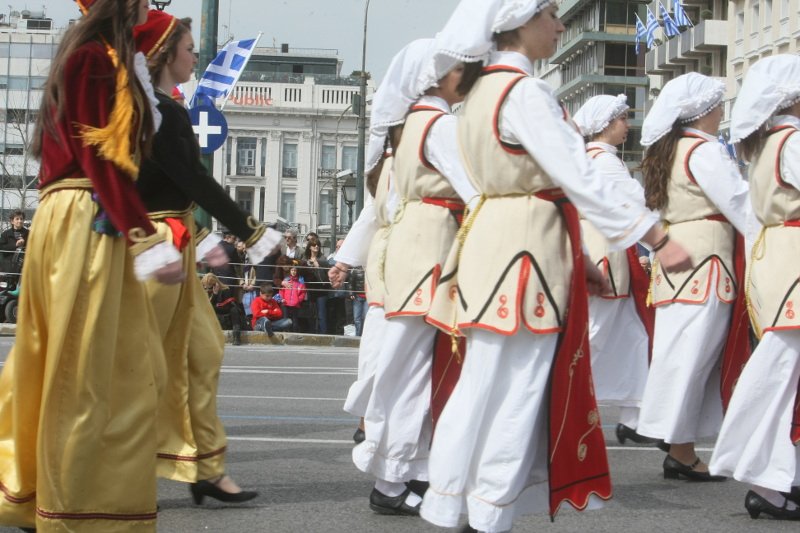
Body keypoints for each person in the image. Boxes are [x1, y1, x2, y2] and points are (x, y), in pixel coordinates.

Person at [417, 2, 691, 531]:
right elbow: (578, 175)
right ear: (520, 23)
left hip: (495, 243)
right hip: (527, 250)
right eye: (550, 15)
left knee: (483, 382)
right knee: (518, 387)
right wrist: (654, 235)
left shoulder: (478, 93)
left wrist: (582, 257)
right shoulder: (523, 92)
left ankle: (454, 501)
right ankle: (488, 510)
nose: (560, 25)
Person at [0, 1, 185, 530]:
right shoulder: (94, 59)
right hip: (87, 217)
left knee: (69, 362)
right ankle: (72, 505)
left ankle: (39, 493)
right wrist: (145, 237)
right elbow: (98, 157)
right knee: (86, 369)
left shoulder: (95, 56)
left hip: (82, 216)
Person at [134, 10, 280, 505]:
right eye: (189, 48)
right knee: (142, 364)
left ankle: (204, 467)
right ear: (163, 54)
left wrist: (201, 238)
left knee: (204, 349)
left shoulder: (163, 108)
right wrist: (250, 231)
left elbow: (177, 187)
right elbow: (190, 179)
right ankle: (117, 472)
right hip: (148, 246)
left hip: (171, 239)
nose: (196, 56)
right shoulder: (154, 111)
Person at [350, 38, 479, 517]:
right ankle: (391, 477)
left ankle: (413, 469)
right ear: (439, 76)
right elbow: (476, 188)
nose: (467, 76)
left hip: (418, 247)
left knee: (414, 368)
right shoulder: (439, 124)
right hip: (431, 249)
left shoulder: (414, 123)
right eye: (460, 69)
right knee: (412, 371)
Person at [636, 72, 752, 481]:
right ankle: (678, 445)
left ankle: (679, 446)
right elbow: (738, 201)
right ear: (705, 111)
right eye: (718, 106)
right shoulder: (704, 151)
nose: (721, 112)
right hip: (706, 261)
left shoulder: (670, 149)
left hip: (678, 261)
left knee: (679, 354)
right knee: (694, 358)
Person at [709, 54, 800, 520]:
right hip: (793, 261)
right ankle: (765, 478)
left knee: (784, 372)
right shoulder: (792, 141)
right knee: (780, 373)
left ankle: (780, 476)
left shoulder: (769, 142)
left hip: (780, 258)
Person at [572, 94, 658, 446]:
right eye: (622, 118)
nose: (627, 125)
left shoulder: (597, 157)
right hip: (603, 251)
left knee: (632, 336)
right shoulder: (603, 161)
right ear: (606, 124)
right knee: (594, 333)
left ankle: (635, 418)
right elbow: (638, 202)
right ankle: (560, 399)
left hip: (609, 250)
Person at [203, 272, 245, 345]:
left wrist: (216, 294)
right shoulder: (204, 291)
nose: (207, 289)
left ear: (215, 284)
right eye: (205, 287)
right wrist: (215, 295)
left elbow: (227, 307)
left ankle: (236, 335)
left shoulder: (225, 289)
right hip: (214, 314)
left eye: (209, 287)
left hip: (225, 313)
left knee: (234, 309)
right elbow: (208, 307)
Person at [303, 237, 332, 333]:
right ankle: (311, 333)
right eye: (314, 245)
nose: (316, 246)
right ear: (309, 247)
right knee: (310, 314)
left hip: (321, 290)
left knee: (321, 315)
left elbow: (325, 278)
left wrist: (317, 266)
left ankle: (323, 334)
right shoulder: (305, 259)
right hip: (309, 290)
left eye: (318, 245)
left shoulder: (323, 259)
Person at [0, 210, 28, 289]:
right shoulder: (5, 234)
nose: (20, 221)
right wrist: (15, 245)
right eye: (17, 219)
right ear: (12, 221)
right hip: (8, 265)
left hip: (24, 265)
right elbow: (2, 248)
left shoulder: (28, 233)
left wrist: (24, 244)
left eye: (21, 219)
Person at [279, 266, 307, 332]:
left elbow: (303, 293)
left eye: (295, 270)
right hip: (285, 303)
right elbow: (281, 291)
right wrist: (282, 298)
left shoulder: (300, 283)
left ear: (297, 272)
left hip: (295, 304)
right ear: (290, 271)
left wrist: (298, 300)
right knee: (285, 319)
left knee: (295, 320)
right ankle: (285, 332)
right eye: (292, 270)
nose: (293, 272)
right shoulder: (286, 281)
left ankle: (295, 332)